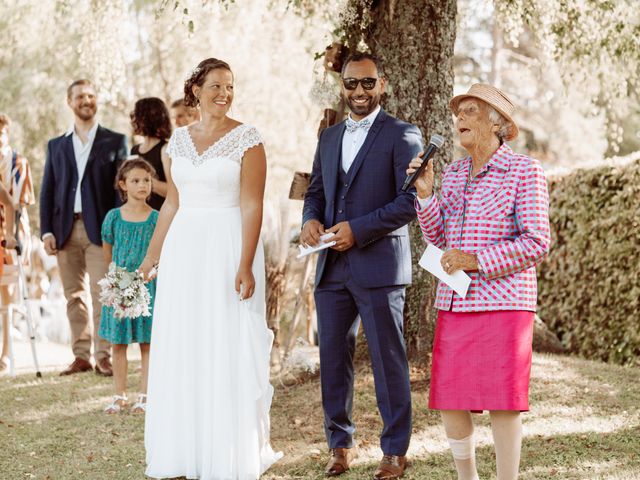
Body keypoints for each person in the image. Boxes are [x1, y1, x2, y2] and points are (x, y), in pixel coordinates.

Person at [140, 58, 282, 479]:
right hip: (185, 250)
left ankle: (227, 450)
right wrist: (153, 256)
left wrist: (245, 262)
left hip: (227, 246)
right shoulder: (176, 143)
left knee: (225, 341)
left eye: (230, 86)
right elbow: (172, 203)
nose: (224, 93)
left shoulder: (248, 139)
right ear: (196, 91)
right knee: (186, 341)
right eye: (216, 85)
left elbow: (251, 203)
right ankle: (184, 448)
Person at [408, 83, 551, 480]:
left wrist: (475, 260)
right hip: (456, 301)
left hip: (505, 301)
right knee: (451, 399)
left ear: (497, 123)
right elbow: (439, 239)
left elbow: (537, 241)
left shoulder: (524, 171)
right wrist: (424, 196)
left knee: (503, 401)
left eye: (471, 110)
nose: (460, 118)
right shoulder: (452, 174)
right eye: (459, 112)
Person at [300, 52, 423, 480]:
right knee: (333, 359)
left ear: (382, 84)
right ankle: (338, 445)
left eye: (367, 83)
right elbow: (316, 192)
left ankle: (395, 452)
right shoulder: (329, 137)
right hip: (331, 267)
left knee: (389, 360)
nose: (359, 92)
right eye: (351, 84)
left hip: (379, 266)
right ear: (343, 86)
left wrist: (359, 229)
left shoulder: (404, 135)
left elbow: (409, 202)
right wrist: (310, 220)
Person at [40, 79, 128, 377]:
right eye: (80, 96)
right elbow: (47, 190)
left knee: (103, 292)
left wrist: (119, 227)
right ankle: (81, 356)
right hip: (64, 230)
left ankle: (104, 356)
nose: (86, 101)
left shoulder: (115, 141)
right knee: (73, 296)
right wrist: (47, 231)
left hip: (101, 230)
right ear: (70, 101)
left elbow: (120, 189)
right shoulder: (56, 145)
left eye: (91, 96)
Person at [99, 159, 158, 414]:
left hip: (148, 289)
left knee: (147, 344)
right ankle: (119, 395)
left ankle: (144, 396)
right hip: (120, 289)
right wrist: (116, 283)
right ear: (123, 184)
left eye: (146, 180)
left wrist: (151, 273)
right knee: (118, 343)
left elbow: (160, 255)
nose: (142, 185)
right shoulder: (113, 217)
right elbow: (107, 254)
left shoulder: (157, 219)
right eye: (135, 180)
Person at [0, 114, 35, 373]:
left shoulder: (18, 163)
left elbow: (18, 203)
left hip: (10, 235)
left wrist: (14, 236)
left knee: (8, 294)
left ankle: (6, 353)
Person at [130, 97, 172, 210]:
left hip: (160, 217)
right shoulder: (134, 150)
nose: (133, 120)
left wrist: (147, 181)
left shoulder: (165, 149)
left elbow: (173, 192)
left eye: (137, 115)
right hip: (139, 216)